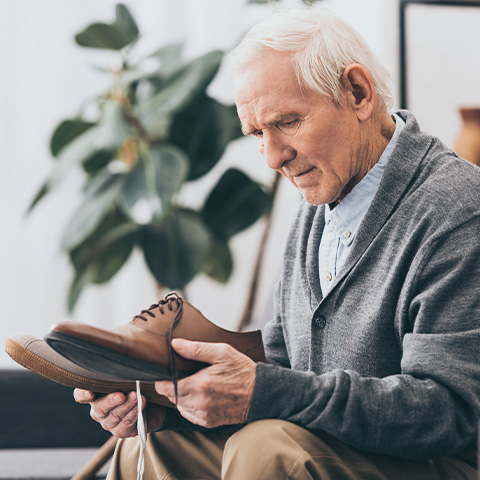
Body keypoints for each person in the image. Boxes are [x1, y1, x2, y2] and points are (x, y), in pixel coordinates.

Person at [74, 8, 480, 479]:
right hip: (338, 447)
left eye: (287, 122)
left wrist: (265, 391)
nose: (272, 157)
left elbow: (449, 414)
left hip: (440, 463)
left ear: (358, 93)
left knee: (266, 447)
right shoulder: (319, 204)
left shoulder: (458, 210)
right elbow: (287, 364)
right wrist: (174, 401)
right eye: (257, 134)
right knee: (156, 445)